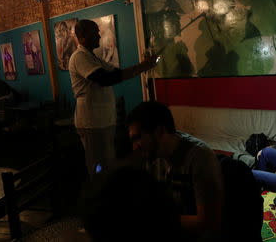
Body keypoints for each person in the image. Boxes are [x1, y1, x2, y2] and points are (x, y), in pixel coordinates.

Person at [69, 19, 158, 180]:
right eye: (94, 32)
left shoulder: (93, 58)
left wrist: (144, 66)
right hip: (91, 122)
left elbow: (118, 74)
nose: (98, 35)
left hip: (103, 121)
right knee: (97, 167)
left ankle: (108, 194)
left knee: (107, 164)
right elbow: (105, 78)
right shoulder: (79, 57)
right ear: (81, 36)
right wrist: (142, 67)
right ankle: (99, 197)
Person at [125, 101, 223, 240]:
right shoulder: (152, 157)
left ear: (159, 131)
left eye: (138, 138)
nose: (135, 147)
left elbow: (209, 222)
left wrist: (157, 221)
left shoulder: (199, 158)